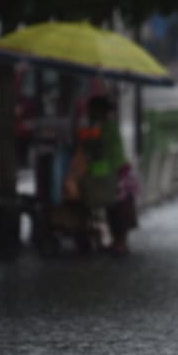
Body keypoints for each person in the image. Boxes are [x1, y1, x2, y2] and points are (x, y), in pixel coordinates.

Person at [64, 94, 138, 254]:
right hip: (109, 173)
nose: (90, 113)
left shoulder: (106, 127)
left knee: (119, 209)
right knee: (112, 208)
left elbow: (96, 148)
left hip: (117, 173)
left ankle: (120, 242)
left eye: (92, 111)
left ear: (98, 111)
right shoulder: (99, 126)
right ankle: (116, 241)